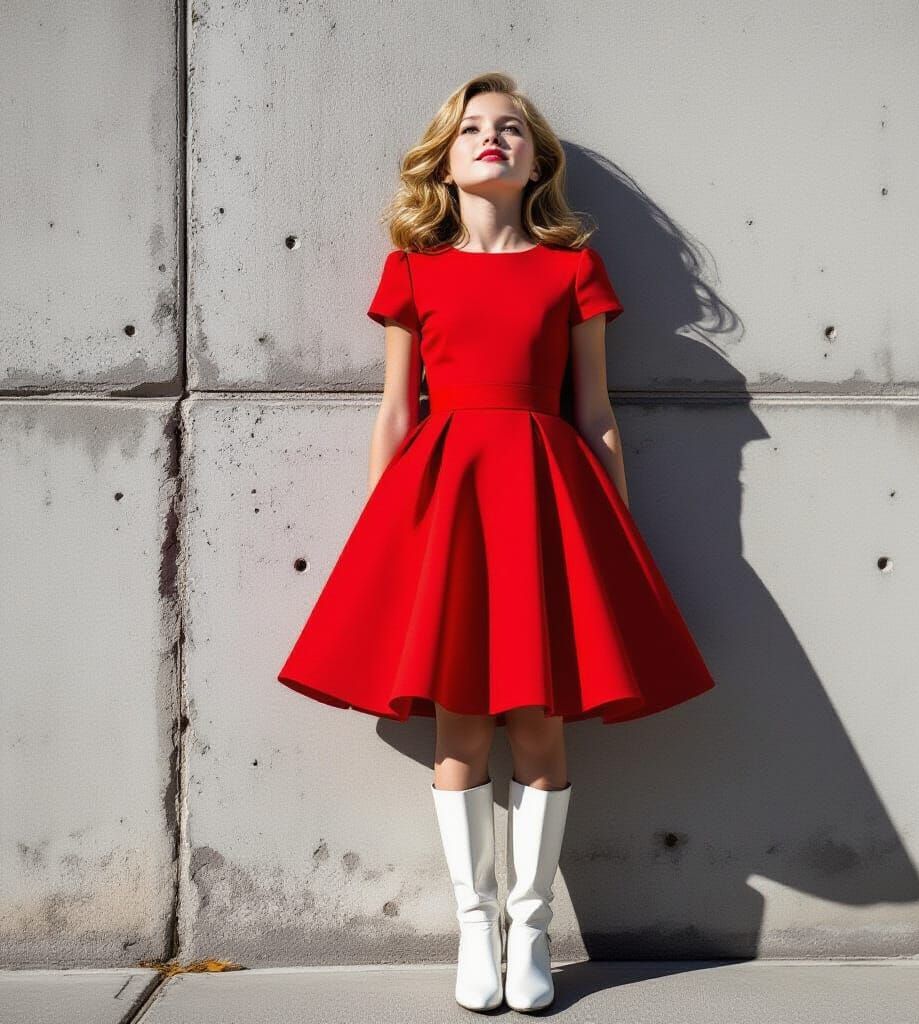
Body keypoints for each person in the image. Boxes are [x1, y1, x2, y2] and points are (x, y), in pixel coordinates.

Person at [277, 72, 716, 1013]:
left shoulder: (571, 270)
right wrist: (387, 534)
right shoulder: (413, 268)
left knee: (541, 720)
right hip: (448, 501)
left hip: (546, 498)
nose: (491, 138)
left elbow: (595, 411)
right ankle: (474, 928)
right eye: (472, 127)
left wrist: (614, 528)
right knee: (461, 725)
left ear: (534, 159)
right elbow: (396, 412)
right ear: (444, 157)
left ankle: (532, 930)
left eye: (510, 128)